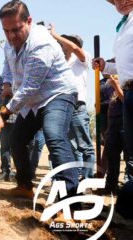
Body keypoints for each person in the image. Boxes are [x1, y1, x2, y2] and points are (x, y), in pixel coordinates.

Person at [0, 1, 78, 204]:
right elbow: (7, 63)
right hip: (33, 102)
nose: (11, 36)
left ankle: (71, 201)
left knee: (54, 135)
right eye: (6, 31)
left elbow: (30, 87)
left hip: (57, 94)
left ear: (28, 21)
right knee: (16, 139)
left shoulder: (41, 43)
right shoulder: (9, 42)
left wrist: (3, 113)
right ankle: (24, 186)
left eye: (16, 30)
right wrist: (6, 83)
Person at [93, 0, 133, 184]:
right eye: (117, 0)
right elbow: (124, 65)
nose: (123, 2)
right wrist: (106, 66)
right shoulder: (123, 26)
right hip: (130, 91)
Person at [50, 26, 96, 179]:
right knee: (71, 147)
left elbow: (75, 48)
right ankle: (75, 180)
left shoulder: (83, 58)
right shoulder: (59, 62)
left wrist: (54, 35)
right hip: (62, 107)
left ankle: (88, 180)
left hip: (77, 107)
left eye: (65, 42)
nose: (62, 45)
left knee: (85, 146)